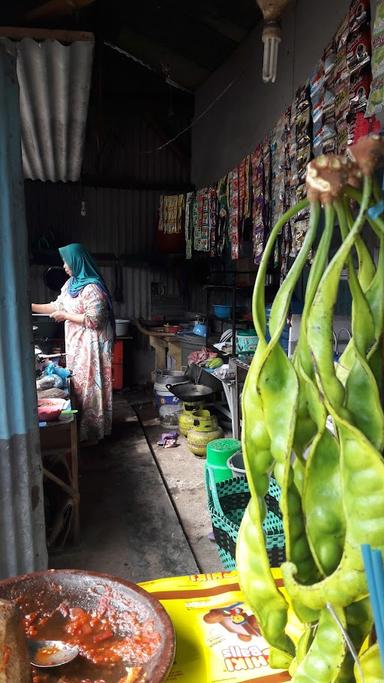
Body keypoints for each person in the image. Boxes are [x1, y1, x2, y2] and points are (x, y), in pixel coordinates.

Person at [32, 243, 114, 444]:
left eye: (66, 262)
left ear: (78, 262)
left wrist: (65, 316)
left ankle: (93, 433)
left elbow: (96, 320)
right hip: (77, 344)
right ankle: (79, 431)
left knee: (91, 386)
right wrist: (29, 305)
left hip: (92, 345)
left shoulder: (93, 288)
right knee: (77, 385)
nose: (64, 266)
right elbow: (57, 305)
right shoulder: (71, 284)